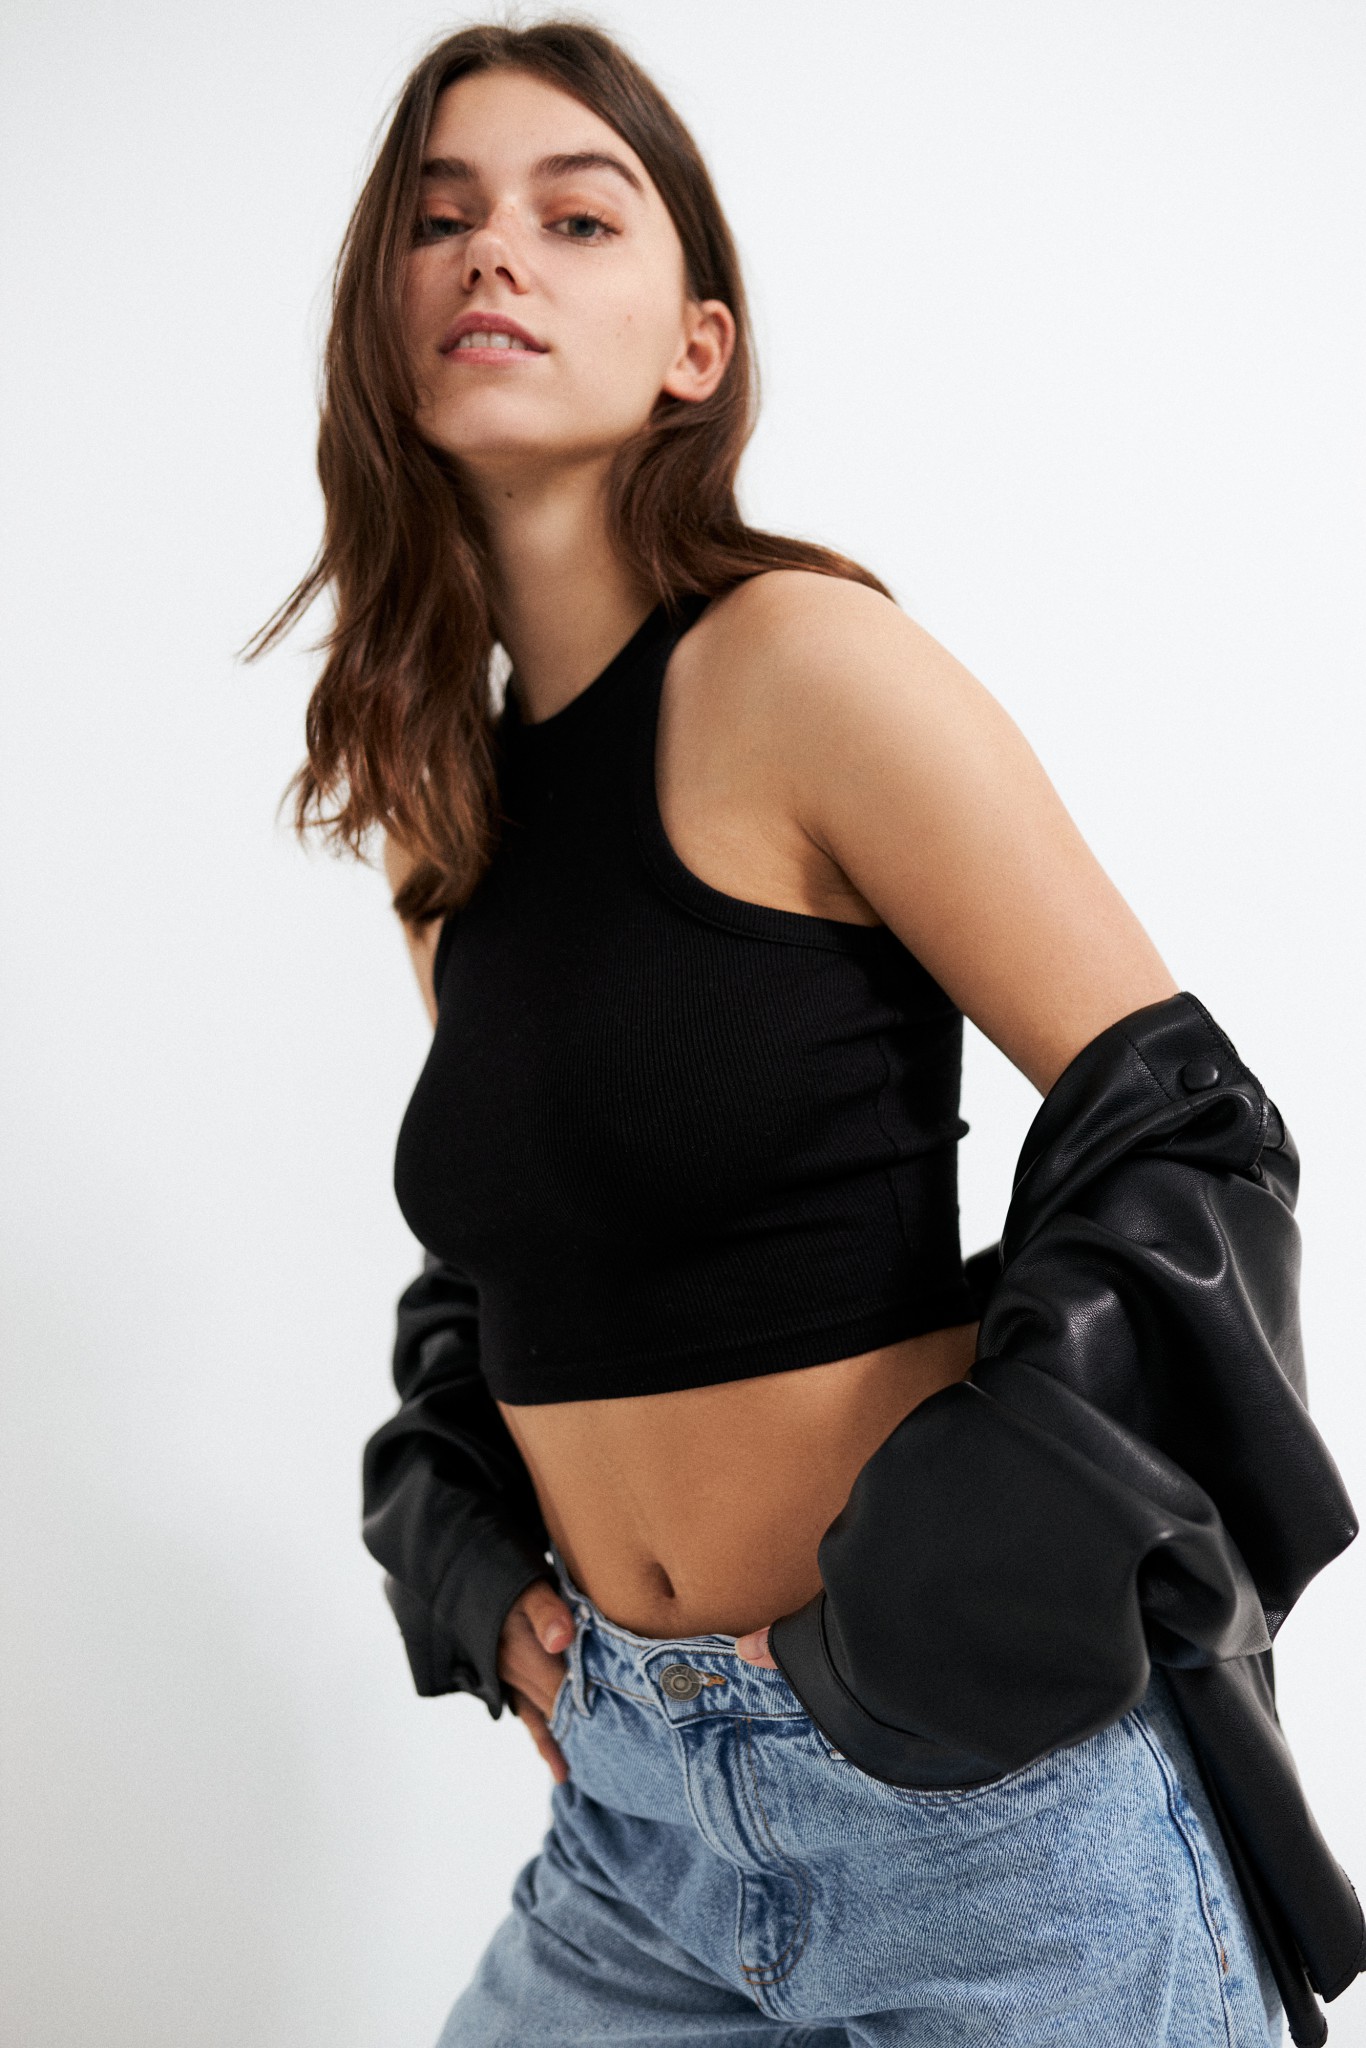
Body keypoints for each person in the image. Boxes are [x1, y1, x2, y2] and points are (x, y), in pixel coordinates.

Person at [245, 19, 1362, 2046]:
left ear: (695, 345)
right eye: (438, 216)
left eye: (576, 216)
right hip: (634, 1817)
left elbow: (1188, 1134)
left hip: (982, 1817)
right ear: (378, 326)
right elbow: (525, 1242)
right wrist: (477, 1570)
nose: (494, 250)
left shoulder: (801, 665)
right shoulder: (440, 811)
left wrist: (930, 1596)